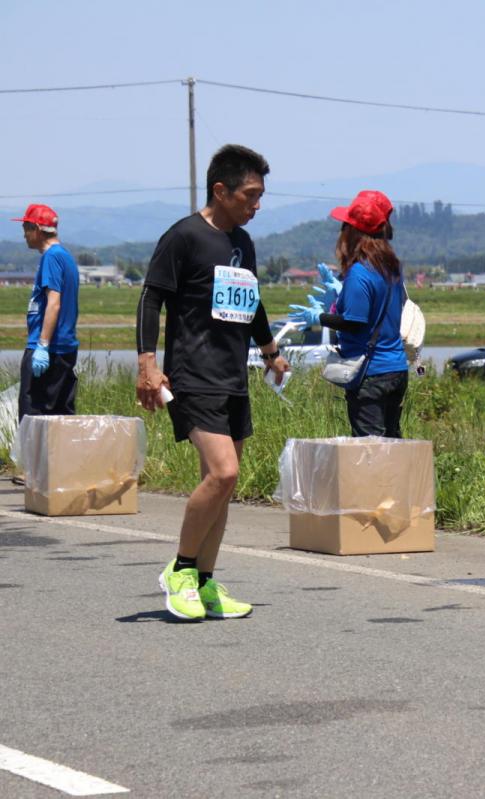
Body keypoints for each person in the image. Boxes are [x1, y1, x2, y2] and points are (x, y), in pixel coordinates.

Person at [136, 144, 290, 622]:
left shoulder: (243, 242)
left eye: (261, 195)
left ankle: (204, 582)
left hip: (232, 376)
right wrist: (147, 363)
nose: (256, 204)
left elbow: (253, 301)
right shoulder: (183, 236)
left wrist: (269, 352)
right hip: (191, 375)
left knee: (224, 485)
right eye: (250, 194)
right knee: (223, 473)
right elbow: (151, 299)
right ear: (220, 191)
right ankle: (180, 570)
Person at [289, 191, 408, 437]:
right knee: (393, 444)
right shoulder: (391, 267)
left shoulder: (359, 272)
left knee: (369, 449)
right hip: (396, 368)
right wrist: (342, 293)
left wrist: (319, 318)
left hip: (370, 372)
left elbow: (354, 323)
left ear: (352, 233)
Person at [12, 204, 79, 422]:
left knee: (34, 419)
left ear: (37, 230)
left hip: (48, 349)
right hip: (64, 349)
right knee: (60, 419)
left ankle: (34, 458)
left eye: (26, 228)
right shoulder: (66, 257)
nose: (24, 235)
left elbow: (54, 303)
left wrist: (42, 345)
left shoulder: (51, 257)